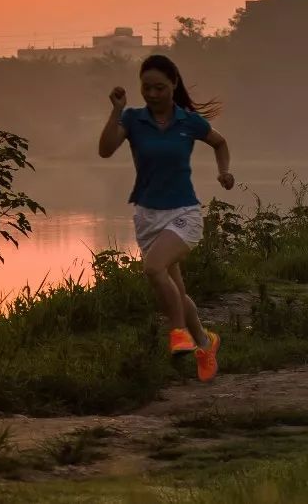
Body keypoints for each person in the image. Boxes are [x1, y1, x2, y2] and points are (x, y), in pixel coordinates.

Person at [98, 53, 234, 381]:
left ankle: (178, 334)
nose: (153, 94)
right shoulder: (132, 119)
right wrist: (116, 110)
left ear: (174, 84)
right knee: (175, 288)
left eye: (160, 87)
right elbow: (105, 150)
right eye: (147, 88)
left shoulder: (189, 122)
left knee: (153, 268)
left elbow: (219, 142)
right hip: (147, 216)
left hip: (183, 213)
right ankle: (205, 343)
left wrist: (224, 172)